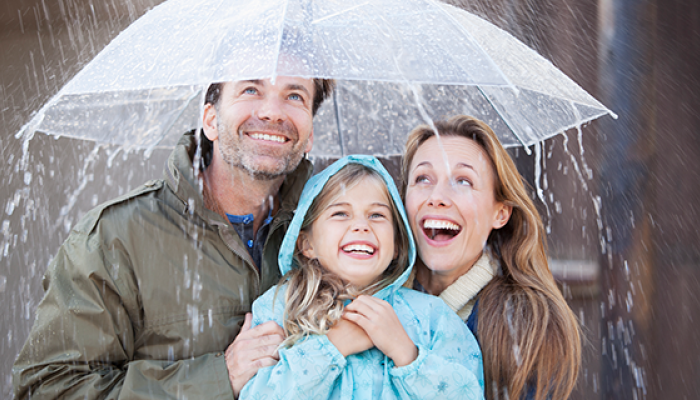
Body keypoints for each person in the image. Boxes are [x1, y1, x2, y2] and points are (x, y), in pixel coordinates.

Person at [13, 76, 334, 399]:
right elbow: (48, 388)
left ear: (309, 135)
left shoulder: (337, 235)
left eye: (295, 96)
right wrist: (221, 376)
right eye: (251, 90)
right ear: (211, 120)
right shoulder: (116, 237)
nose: (272, 112)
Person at [239, 155, 485, 400]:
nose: (361, 226)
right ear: (306, 243)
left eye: (377, 215)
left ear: (398, 244)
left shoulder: (432, 317)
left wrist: (407, 354)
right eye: (340, 213)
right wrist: (333, 347)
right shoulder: (282, 309)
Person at [401, 115, 582, 400]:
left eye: (463, 181)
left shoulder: (526, 324)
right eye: (423, 178)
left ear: (500, 213)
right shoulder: (373, 299)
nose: (437, 196)